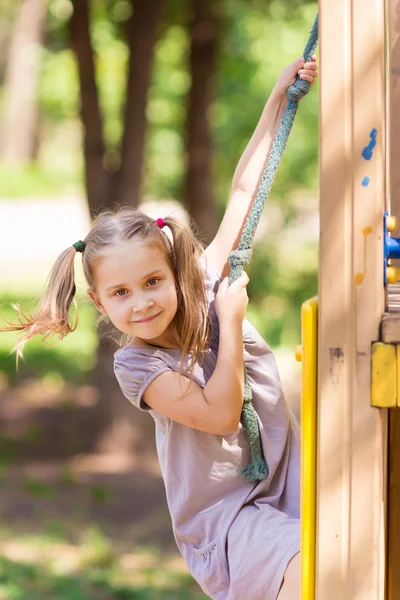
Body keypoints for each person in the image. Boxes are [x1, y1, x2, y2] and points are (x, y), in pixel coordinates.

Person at [3, 55, 318, 599]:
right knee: (314, 571)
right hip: (227, 521)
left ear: (174, 271)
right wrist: (233, 319)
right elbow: (221, 413)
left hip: (287, 488)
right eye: (122, 294)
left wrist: (277, 98)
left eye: (152, 281)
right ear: (101, 303)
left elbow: (245, 192)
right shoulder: (138, 365)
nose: (142, 302)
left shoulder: (204, 288)